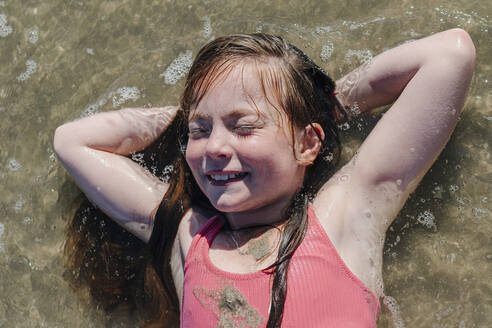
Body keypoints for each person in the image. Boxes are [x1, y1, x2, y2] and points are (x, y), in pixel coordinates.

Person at [54, 28, 475, 328]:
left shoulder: (343, 217)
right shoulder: (187, 237)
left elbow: (450, 55)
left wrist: (332, 107)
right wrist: (183, 119)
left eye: (244, 126)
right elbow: (72, 142)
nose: (214, 147)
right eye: (200, 132)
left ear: (308, 144)